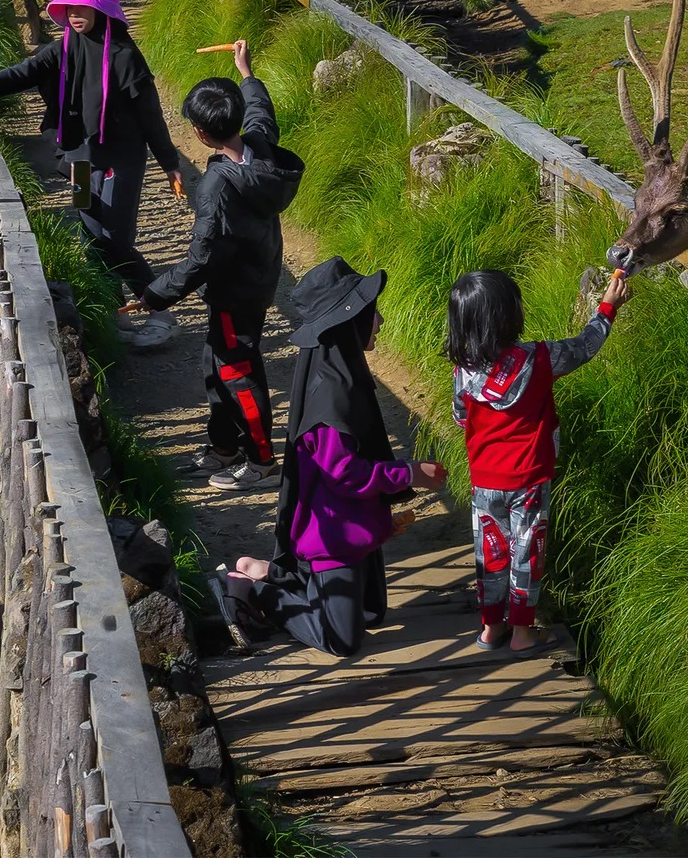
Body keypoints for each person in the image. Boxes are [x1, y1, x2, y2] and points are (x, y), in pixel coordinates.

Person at [220, 257, 447, 657]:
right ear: (348, 321)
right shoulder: (330, 394)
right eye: (371, 313)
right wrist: (410, 473)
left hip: (352, 530)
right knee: (341, 640)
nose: (379, 321)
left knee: (371, 614)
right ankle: (253, 589)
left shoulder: (342, 372)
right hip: (330, 539)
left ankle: (272, 573)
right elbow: (345, 474)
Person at [0, 0, 181, 349]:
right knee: (91, 236)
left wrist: (170, 162)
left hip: (121, 160)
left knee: (117, 240)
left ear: (102, 10)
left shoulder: (126, 57)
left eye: (82, 7)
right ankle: (116, 312)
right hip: (78, 159)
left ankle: (162, 312)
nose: (74, 14)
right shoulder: (66, 47)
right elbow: (26, 71)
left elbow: (151, 116)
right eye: (70, 7)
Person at [137, 39, 304, 491]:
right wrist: (246, 73)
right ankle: (224, 446)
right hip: (259, 274)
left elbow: (202, 258)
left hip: (234, 292)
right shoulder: (260, 147)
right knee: (216, 363)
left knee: (237, 372)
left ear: (199, 133)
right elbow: (261, 111)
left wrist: (154, 295)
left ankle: (261, 461)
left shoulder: (216, 187)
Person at [447, 268, 629, 657]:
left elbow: (461, 416)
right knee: (527, 551)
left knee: (491, 550)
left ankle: (491, 628)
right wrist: (607, 308)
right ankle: (522, 633)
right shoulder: (540, 358)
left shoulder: (463, 370)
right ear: (509, 316)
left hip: (485, 479)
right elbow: (584, 346)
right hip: (529, 477)